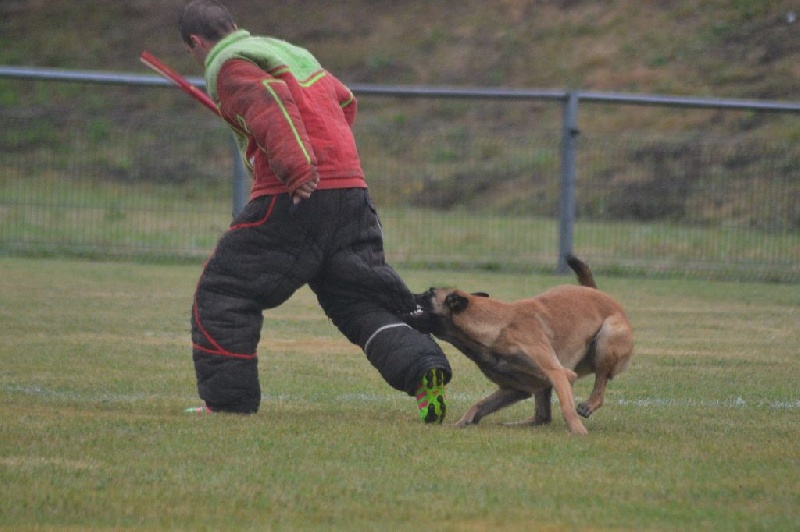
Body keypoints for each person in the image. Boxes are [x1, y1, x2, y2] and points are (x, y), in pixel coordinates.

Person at [178, 0, 451, 423]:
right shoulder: (289, 51)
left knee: (224, 292)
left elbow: (270, 102)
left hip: (295, 193)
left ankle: (228, 404)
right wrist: (331, 157)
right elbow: (344, 101)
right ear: (234, 24)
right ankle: (422, 371)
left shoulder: (228, 63)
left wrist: (298, 166)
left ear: (196, 43)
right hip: (349, 191)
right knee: (357, 300)